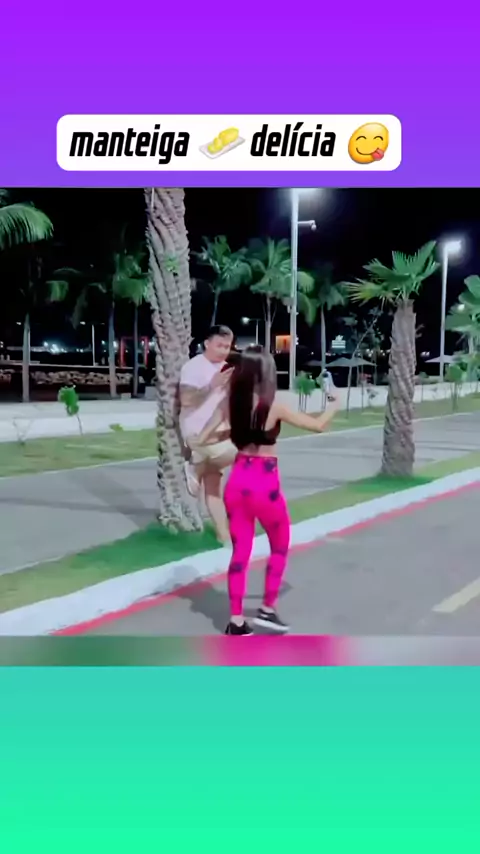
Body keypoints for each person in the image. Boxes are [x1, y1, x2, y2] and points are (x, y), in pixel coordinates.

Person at [193, 345, 341, 636]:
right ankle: (267, 609)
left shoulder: (229, 405)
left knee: (240, 553)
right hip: (264, 485)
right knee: (279, 545)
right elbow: (319, 425)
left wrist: (230, 432)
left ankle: (236, 621)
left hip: (237, 483)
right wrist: (335, 403)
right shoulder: (275, 405)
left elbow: (202, 437)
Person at [179, 325, 237, 543]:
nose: (224, 351)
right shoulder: (193, 367)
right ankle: (194, 465)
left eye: (227, 346)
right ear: (207, 343)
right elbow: (186, 400)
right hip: (197, 433)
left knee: (213, 489)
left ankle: (224, 536)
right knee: (236, 457)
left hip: (219, 433)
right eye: (219, 345)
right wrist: (211, 386)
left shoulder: (227, 368)